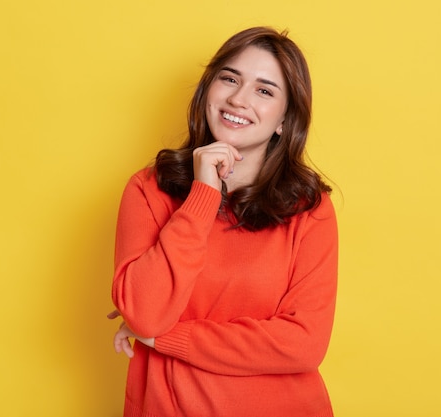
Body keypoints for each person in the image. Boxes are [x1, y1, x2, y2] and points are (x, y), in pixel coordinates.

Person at [108, 26, 339, 417]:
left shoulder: (308, 208)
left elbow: (303, 343)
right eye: (229, 78)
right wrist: (203, 194)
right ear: (206, 93)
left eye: (264, 91)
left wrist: (163, 338)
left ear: (284, 120)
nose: (238, 98)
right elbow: (146, 313)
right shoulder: (149, 190)